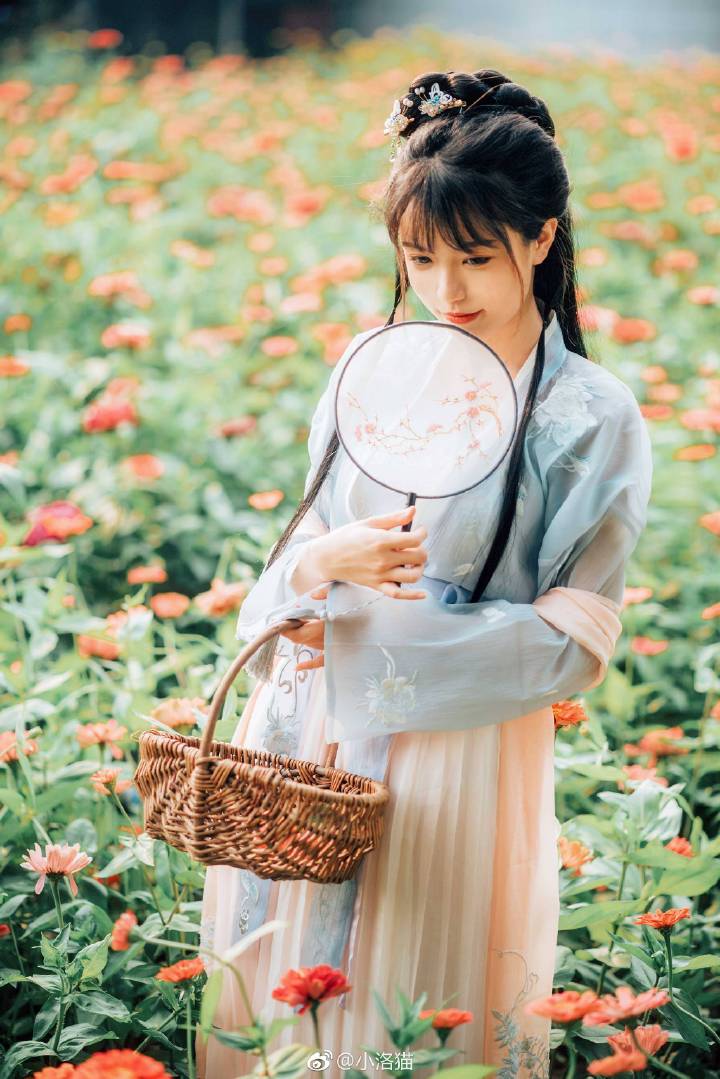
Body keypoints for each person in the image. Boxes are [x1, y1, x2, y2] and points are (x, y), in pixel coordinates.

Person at [197, 68, 653, 1078]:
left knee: (419, 1017)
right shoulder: (371, 364)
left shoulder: (590, 414)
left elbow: (575, 635)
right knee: (278, 1010)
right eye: (419, 257)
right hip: (304, 734)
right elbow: (289, 568)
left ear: (544, 237)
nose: (447, 291)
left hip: (458, 748)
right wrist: (319, 567)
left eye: (478, 257)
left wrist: (363, 637)